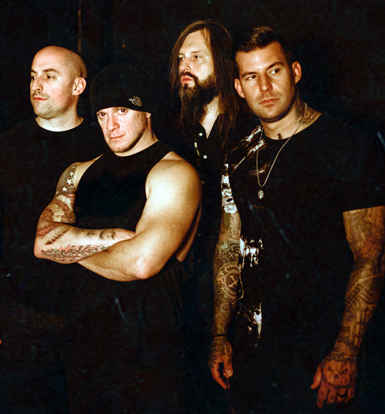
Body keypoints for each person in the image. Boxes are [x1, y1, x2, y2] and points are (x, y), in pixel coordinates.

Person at [208, 26, 385, 412]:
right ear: (238, 88)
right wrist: (220, 334)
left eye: (274, 71)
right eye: (251, 77)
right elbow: (228, 246)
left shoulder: (349, 147)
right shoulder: (237, 157)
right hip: (252, 355)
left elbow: (370, 256)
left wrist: (345, 351)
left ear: (295, 71)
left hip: (322, 356)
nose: (265, 87)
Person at [34, 63, 201, 413]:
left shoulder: (174, 173)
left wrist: (70, 244)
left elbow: (142, 262)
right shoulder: (78, 173)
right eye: (102, 114)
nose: (110, 125)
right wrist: (118, 240)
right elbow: (41, 244)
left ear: (146, 111)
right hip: (86, 350)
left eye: (122, 111)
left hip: (151, 356)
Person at [0, 46, 104, 413]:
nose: (36, 85)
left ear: (78, 86)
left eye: (49, 76)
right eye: (32, 76)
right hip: (21, 315)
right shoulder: (1, 148)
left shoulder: (106, 143)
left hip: (93, 315)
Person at [168, 19, 247, 412]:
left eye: (197, 57)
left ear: (223, 63)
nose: (185, 66)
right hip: (187, 287)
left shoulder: (249, 128)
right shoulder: (175, 131)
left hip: (240, 291)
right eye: (181, 58)